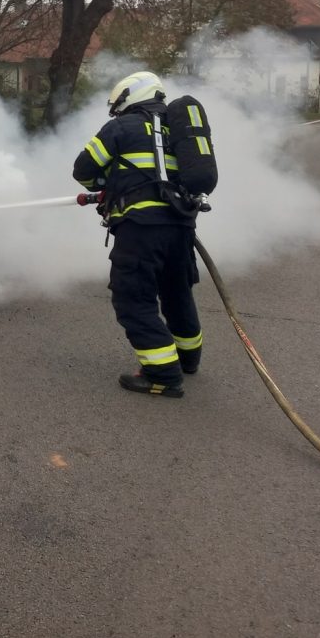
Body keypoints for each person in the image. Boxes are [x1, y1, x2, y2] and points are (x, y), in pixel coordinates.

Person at [73, 71, 202, 398]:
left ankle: (162, 375)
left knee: (133, 297)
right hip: (182, 226)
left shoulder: (121, 127)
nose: (116, 112)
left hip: (141, 229)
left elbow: (84, 169)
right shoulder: (179, 130)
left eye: (117, 105)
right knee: (176, 292)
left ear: (129, 97)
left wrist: (103, 188)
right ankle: (188, 359)